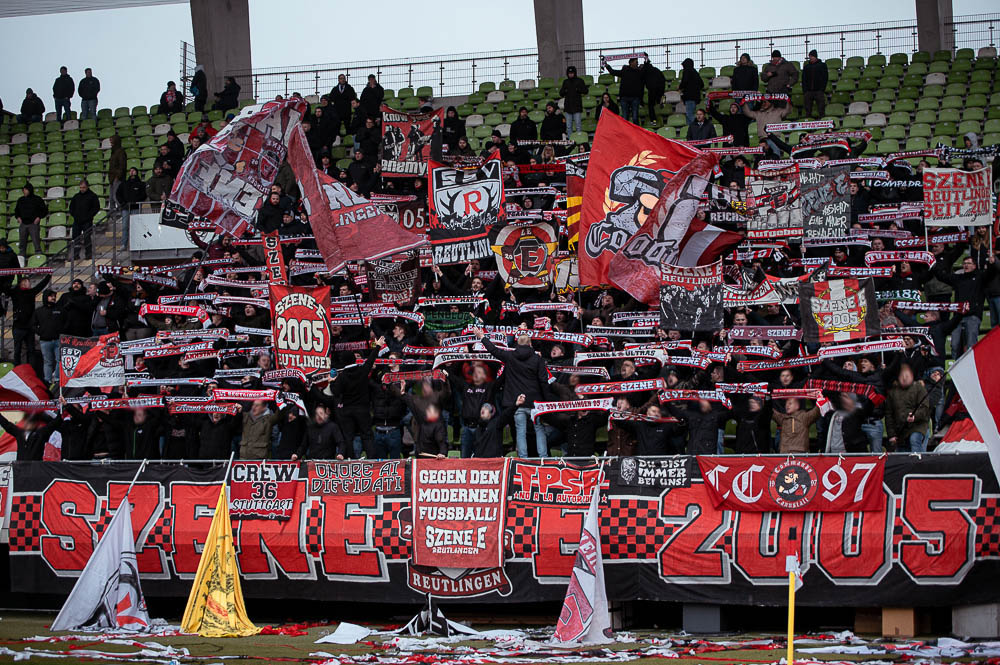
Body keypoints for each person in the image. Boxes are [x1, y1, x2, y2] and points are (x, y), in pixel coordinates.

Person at [472, 327, 553, 457]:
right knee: (539, 429)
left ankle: (523, 459)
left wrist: (482, 337)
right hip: (535, 403)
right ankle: (544, 459)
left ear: (517, 344)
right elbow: (544, 381)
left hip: (518, 402)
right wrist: (547, 403)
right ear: (530, 344)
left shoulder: (510, 356)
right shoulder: (538, 359)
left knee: (520, 431)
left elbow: (494, 350)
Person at [886, 364, 931, 452]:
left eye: (907, 375)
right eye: (902, 375)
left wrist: (915, 416)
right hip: (901, 429)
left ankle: (917, 463)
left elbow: (925, 408)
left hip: (918, 426)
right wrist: (891, 434)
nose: (904, 378)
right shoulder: (892, 392)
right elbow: (889, 414)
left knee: (914, 439)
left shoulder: (919, 388)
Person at [10, 274, 51, 366]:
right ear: (22, 283)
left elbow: (40, 286)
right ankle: (17, 369)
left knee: (31, 350)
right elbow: (7, 288)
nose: (29, 284)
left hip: (28, 327)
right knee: (17, 350)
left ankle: (31, 369)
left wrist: (48, 276)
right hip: (18, 327)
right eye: (27, 282)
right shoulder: (16, 292)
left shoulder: (31, 292)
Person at [32, 289, 65, 385]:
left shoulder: (60, 309)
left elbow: (66, 321)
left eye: (54, 296)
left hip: (58, 339)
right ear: (46, 297)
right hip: (45, 341)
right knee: (48, 362)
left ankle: (58, 379)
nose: (53, 298)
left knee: (59, 360)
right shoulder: (39, 311)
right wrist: (40, 332)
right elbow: (33, 325)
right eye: (51, 296)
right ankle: (48, 381)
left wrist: (61, 331)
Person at [604, 56, 644, 124]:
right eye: (636, 62)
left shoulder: (639, 72)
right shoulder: (625, 71)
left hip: (635, 97)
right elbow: (613, 72)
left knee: (635, 117)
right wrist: (607, 66)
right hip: (625, 97)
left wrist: (645, 66)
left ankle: (636, 132)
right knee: (625, 118)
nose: (638, 63)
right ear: (631, 63)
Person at [69, 179, 101, 260]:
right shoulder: (76, 196)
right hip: (77, 221)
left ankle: (88, 255)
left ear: (87, 187)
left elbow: (96, 207)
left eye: (83, 187)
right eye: (80, 188)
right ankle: (76, 255)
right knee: (75, 238)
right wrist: (75, 215)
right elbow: (71, 208)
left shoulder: (92, 196)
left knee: (87, 238)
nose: (82, 189)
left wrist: (89, 216)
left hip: (87, 221)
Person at [117, 166, 147, 251]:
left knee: (136, 227)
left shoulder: (141, 184)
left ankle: (136, 244)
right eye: (130, 171)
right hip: (125, 208)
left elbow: (144, 195)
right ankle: (124, 244)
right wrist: (123, 203)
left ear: (137, 172)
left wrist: (136, 201)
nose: (131, 172)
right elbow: (118, 194)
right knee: (125, 227)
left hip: (136, 207)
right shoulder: (124, 184)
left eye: (133, 170)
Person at [14, 183, 47, 260]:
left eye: (25, 190)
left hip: (33, 224)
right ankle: (21, 256)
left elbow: (44, 210)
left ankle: (38, 255)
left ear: (29, 190)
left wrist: (39, 217)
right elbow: (16, 211)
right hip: (23, 224)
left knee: (36, 241)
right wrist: (18, 217)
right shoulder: (20, 200)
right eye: (23, 190)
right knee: (22, 241)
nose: (24, 191)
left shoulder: (37, 199)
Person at [559, 65, 589, 135]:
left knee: (578, 125)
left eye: (572, 73)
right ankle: (570, 141)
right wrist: (565, 91)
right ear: (567, 74)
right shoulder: (565, 82)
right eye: (569, 73)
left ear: (575, 73)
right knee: (568, 126)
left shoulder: (580, 81)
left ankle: (579, 140)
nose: (571, 74)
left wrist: (579, 90)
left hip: (577, 107)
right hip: (568, 107)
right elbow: (561, 93)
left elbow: (586, 91)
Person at [801, 50, 829, 118]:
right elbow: (803, 79)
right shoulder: (806, 67)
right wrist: (805, 90)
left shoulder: (822, 65)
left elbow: (825, 77)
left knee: (821, 107)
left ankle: (822, 120)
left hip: (818, 90)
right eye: (810, 56)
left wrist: (822, 89)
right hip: (808, 91)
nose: (810, 58)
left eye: (812, 56)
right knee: (808, 108)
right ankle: (808, 120)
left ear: (815, 56)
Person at [329, 74, 356, 141]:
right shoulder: (335, 89)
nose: (342, 80)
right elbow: (331, 98)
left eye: (343, 78)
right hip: (337, 110)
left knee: (347, 124)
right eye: (341, 78)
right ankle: (337, 138)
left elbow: (352, 97)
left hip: (346, 110)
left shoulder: (349, 88)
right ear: (338, 80)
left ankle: (348, 138)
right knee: (337, 124)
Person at [679, 58, 703, 125]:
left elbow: (684, 81)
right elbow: (702, 84)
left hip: (689, 96)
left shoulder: (686, 71)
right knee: (689, 114)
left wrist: (680, 87)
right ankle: (691, 132)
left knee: (689, 114)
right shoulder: (695, 72)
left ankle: (699, 127)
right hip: (696, 97)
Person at [107, 135, 126, 215]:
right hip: (112, 178)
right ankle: (112, 216)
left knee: (116, 197)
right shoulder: (113, 152)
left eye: (112, 140)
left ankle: (122, 213)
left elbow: (122, 166)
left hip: (117, 178)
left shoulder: (120, 152)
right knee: (111, 198)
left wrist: (117, 177)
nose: (110, 142)